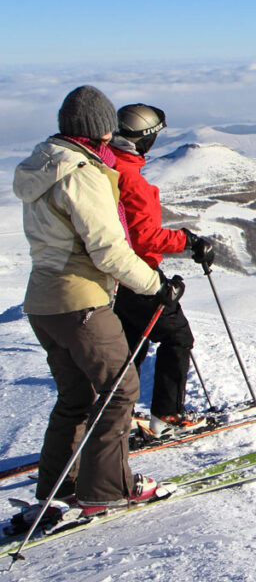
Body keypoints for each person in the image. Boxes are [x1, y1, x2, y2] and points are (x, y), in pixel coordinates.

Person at [13, 85, 184, 516]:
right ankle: (107, 488)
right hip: (82, 300)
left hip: (43, 302)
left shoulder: (43, 165)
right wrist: (156, 286)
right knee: (120, 390)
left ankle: (60, 489)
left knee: (77, 397)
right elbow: (109, 250)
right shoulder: (83, 173)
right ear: (100, 131)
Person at [109, 102, 215, 437]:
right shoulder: (131, 179)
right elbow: (144, 237)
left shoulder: (107, 168)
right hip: (138, 273)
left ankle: (119, 417)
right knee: (177, 336)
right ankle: (166, 417)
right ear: (144, 139)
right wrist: (188, 241)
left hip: (115, 277)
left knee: (132, 346)